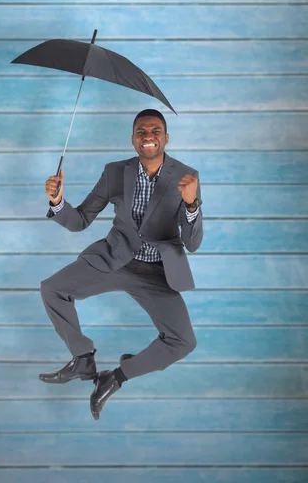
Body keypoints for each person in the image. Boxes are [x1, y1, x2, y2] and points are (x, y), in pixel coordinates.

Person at [39, 109, 203, 420]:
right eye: (141, 132)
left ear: (166, 138)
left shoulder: (186, 177)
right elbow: (80, 220)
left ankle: (114, 377)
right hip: (114, 259)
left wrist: (192, 203)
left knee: (183, 341)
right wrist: (58, 202)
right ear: (133, 139)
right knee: (52, 289)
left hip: (157, 272)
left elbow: (192, 243)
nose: (148, 137)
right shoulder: (115, 172)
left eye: (155, 131)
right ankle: (83, 359)